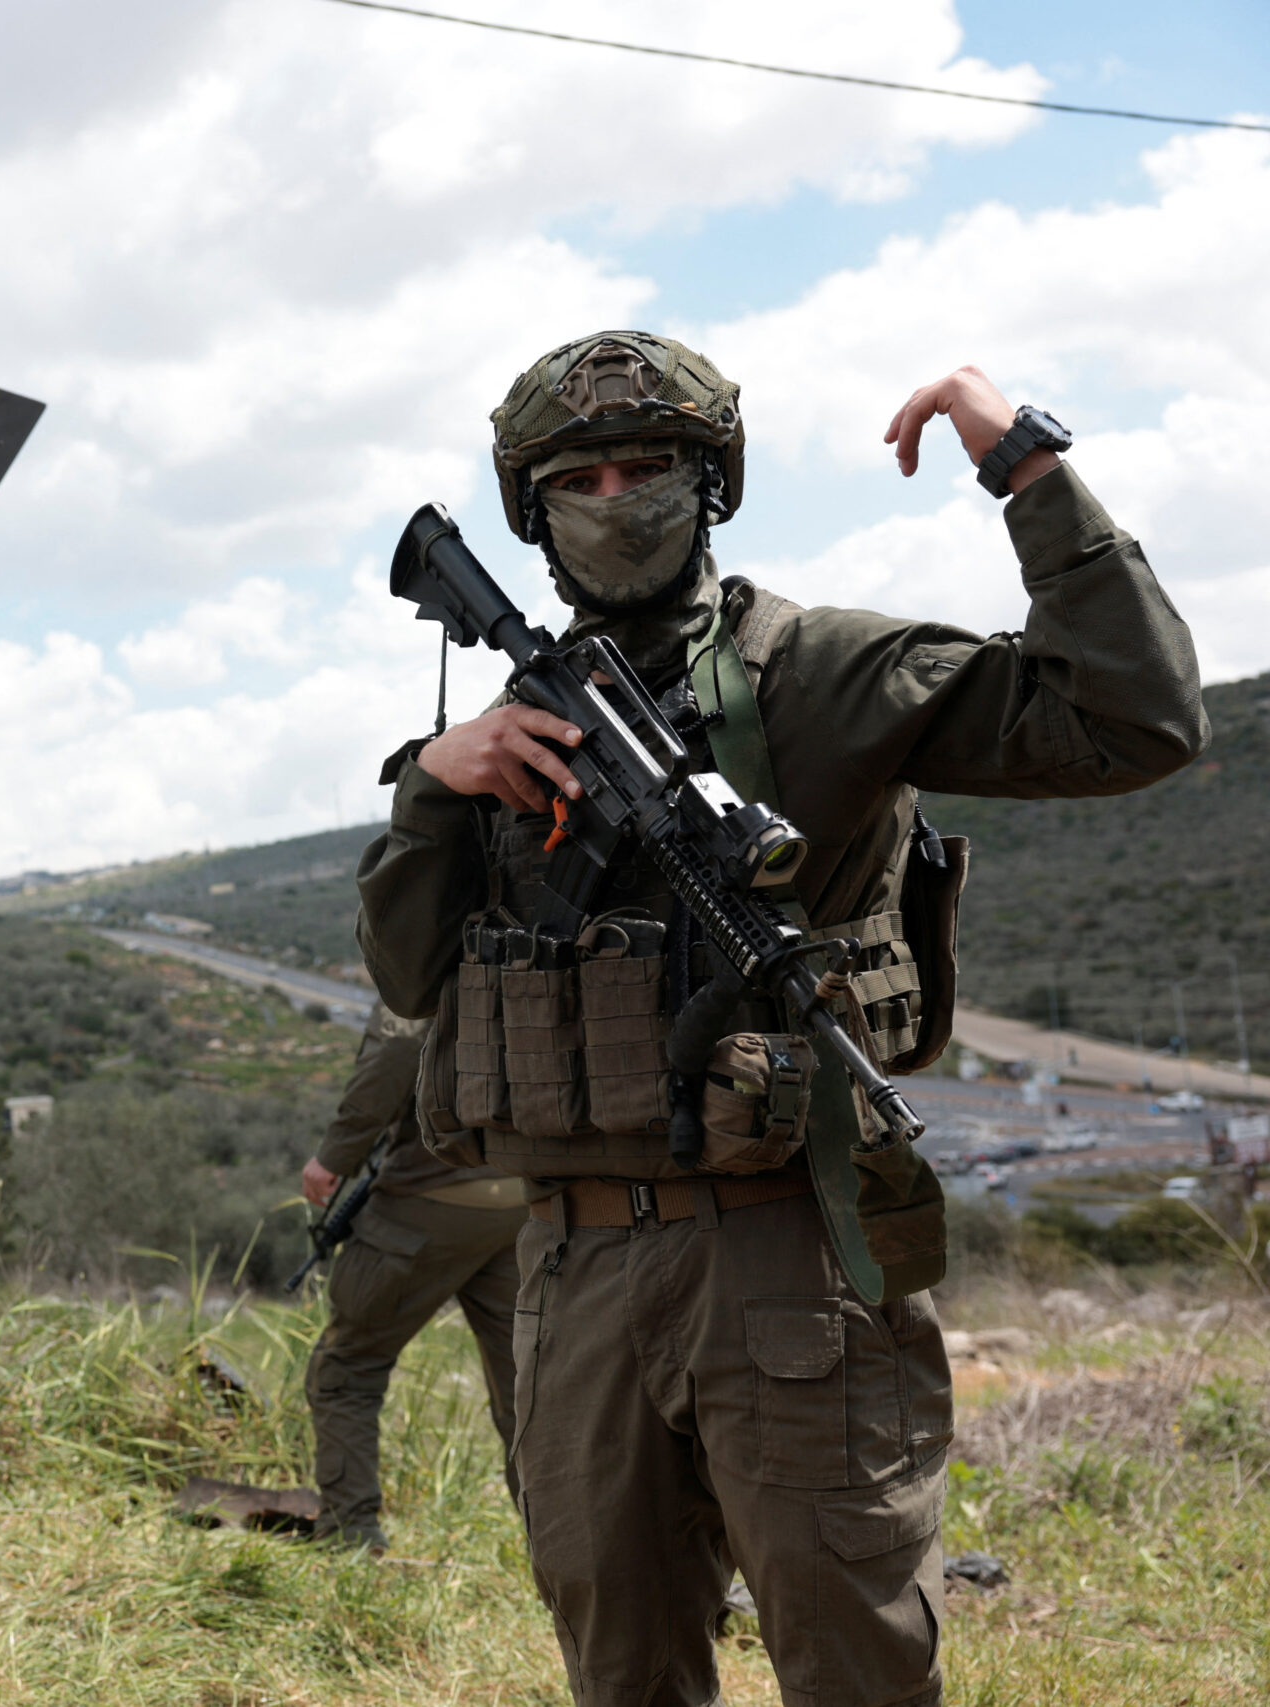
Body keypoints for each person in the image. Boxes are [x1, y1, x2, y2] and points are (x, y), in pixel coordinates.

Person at [355, 332, 1204, 1707]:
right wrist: (436, 788)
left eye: (654, 470)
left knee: (855, 1666)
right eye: (584, 475)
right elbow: (408, 973)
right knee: (620, 1671)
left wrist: (1026, 463)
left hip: (787, 1254)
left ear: (714, 486)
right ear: (534, 512)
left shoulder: (821, 671)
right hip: (573, 1272)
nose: (619, 497)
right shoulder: (509, 726)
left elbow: (1138, 717)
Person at [299, 1000, 528, 1551]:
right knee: (530, 1393)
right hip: (524, 1202)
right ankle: (573, 1551)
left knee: (348, 1364)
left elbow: (397, 1046)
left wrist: (335, 1155)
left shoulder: (428, 941)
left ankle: (350, 1535)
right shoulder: (537, 924)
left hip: (424, 1204)